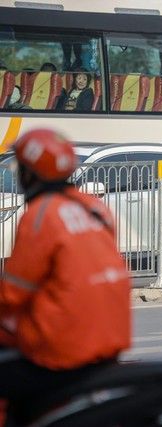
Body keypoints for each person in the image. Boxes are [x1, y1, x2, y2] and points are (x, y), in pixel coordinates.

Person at [0, 129, 131, 420]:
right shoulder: (95, 208)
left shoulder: (40, 216)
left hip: (65, 353)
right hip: (109, 345)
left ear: (31, 173)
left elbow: (11, 294)